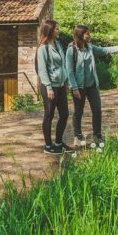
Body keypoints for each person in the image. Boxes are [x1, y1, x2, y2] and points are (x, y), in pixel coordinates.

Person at [65, 25, 118, 148]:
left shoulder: (90, 48)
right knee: (78, 112)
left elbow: (105, 50)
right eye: (87, 33)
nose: (89, 35)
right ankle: (78, 137)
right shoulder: (71, 50)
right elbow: (69, 71)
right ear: (80, 35)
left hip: (92, 85)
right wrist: (74, 87)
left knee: (97, 110)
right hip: (79, 87)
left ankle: (97, 136)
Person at [35, 20, 74, 155]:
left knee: (64, 114)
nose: (59, 31)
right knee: (49, 115)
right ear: (50, 31)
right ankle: (48, 145)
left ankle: (58, 143)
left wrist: (67, 82)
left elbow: (63, 65)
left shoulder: (58, 44)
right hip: (49, 87)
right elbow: (42, 70)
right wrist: (49, 87)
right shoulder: (43, 48)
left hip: (61, 85)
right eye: (56, 29)